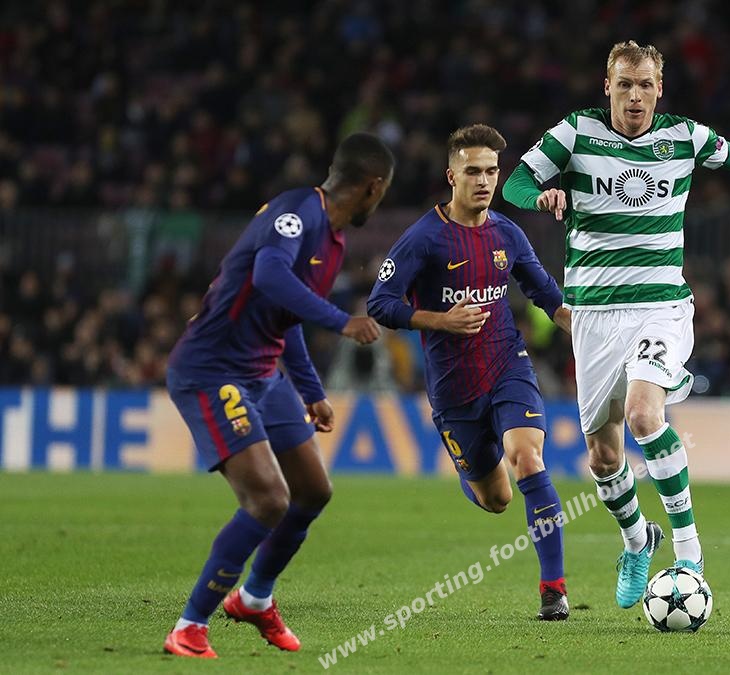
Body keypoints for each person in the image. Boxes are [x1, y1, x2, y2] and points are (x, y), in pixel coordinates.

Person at [502, 40, 730, 609]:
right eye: (624, 84)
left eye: (645, 84)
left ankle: (689, 552)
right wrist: (541, 195)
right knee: (603, 457)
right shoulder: (575, 132)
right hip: (592, 314)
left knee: (645, 414)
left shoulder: (684, 137)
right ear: (608, 87)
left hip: (660, 306)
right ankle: (637, 540)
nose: (634, 96)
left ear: (659, 88)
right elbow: (514, 183)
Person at [162, 133, 394, 658]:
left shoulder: (332, 241)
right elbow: (268, 275)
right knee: (268, 499)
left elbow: (285, 316)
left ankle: (254, 598)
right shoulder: (297, 214)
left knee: (313, 491)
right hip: (213, 370)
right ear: (373, 187)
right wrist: (341, 321)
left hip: (264, 375)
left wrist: (311, 390)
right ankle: (190, 626)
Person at [367, 124, 572, 620]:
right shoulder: (424, 239)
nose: (484, 181)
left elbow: (546, 294)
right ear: (452, 176)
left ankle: (554, 589)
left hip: (507, 365)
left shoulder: (508, 233)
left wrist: (588, 330)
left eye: (492, 171)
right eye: (473, 171)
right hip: (453, 389)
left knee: (528, 459)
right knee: (497, 498)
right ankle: (474, 472)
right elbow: (380, 303)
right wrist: (440, 320)